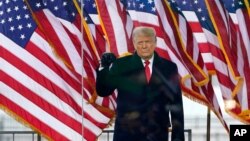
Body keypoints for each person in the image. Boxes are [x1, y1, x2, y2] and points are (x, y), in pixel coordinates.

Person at [96, 26, 184, 141]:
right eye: (140, 42)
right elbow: (103, 91)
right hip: (126, 134)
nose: (144, 46)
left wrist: (177, 138)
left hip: (158, 134)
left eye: (147, 42)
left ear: (155, 42)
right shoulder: (121, 65)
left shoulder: (169, 67)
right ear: (134, 43)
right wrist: (104, 68)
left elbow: (176, 104)